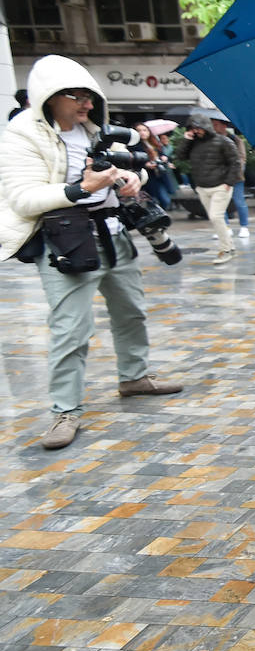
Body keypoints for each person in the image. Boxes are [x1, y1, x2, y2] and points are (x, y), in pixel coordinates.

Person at [0, 55, 183, 450]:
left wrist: (135, 179)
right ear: (48, 97)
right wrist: (81, 188)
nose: (85, 103)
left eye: (89, 95)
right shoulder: (22, 134)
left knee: (131, 311)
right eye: (75, 96)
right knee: (71, 330)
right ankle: (65, 411)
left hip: (114, 232)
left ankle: (134, 377)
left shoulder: (97, 130)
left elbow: (133, 167)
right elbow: (22, 197)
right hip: (66, 241)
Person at [176, 113, 239, 264]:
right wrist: (186, 139)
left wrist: (229, 183)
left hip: (220, 186)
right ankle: (230, 247)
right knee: (215, 218)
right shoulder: (192, 143)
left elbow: (235, 162)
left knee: (215, 217)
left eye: (198, 128)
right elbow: (180, 156)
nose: (196, 131)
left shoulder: (223, 141)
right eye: (193, 128)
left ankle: (226, 250)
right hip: (202, 187)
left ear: (205, 126)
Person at [212, 117, 250, 239]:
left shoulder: (236, 140)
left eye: (216, 124)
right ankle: (225, 227)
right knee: (220, 203)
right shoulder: (212, 140)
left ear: (224, 126)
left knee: (239, 201)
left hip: (235, 177)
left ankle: (244, 227)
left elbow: (242, 160)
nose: (214, 127)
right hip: (219, 176)